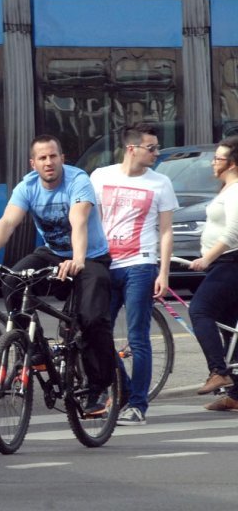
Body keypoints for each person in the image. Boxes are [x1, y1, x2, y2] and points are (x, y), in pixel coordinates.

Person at [0, 134, 116, 416]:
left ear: (62, 158)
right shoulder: (28, 186)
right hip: (52, 254)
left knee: (92, 319)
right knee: (13, 279)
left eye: (53, 156)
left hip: (90, 256)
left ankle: (99, 388)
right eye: (42, 158)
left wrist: (77, 259)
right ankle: (31, 346)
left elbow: (79, 221)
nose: (49, 162)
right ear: (33, 163)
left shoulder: (78, 181)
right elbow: (7, 222)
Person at [90, 123, 178, 426]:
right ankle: (123, 391)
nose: (156, 153)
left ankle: (138, 405)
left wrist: (163, 272)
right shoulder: (101, 177)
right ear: (132, 148)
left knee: (138, 337)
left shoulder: (161, 183)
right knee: (95, 332)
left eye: (156, 147)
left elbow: (166, 231)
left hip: (141, 265)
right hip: (104, 264)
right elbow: (91, 221)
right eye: (151, 148)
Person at [187, 136, 238, 409]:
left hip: (231, 263)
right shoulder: (226, 189)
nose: (213, 162)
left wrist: (207, 258)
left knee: (200, 310)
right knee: (231, 328)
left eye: (217, 158)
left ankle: (218, 371)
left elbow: (233, 233)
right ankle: (236, 397)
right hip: (226, 263)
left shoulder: (235, 190)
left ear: (231, 164)